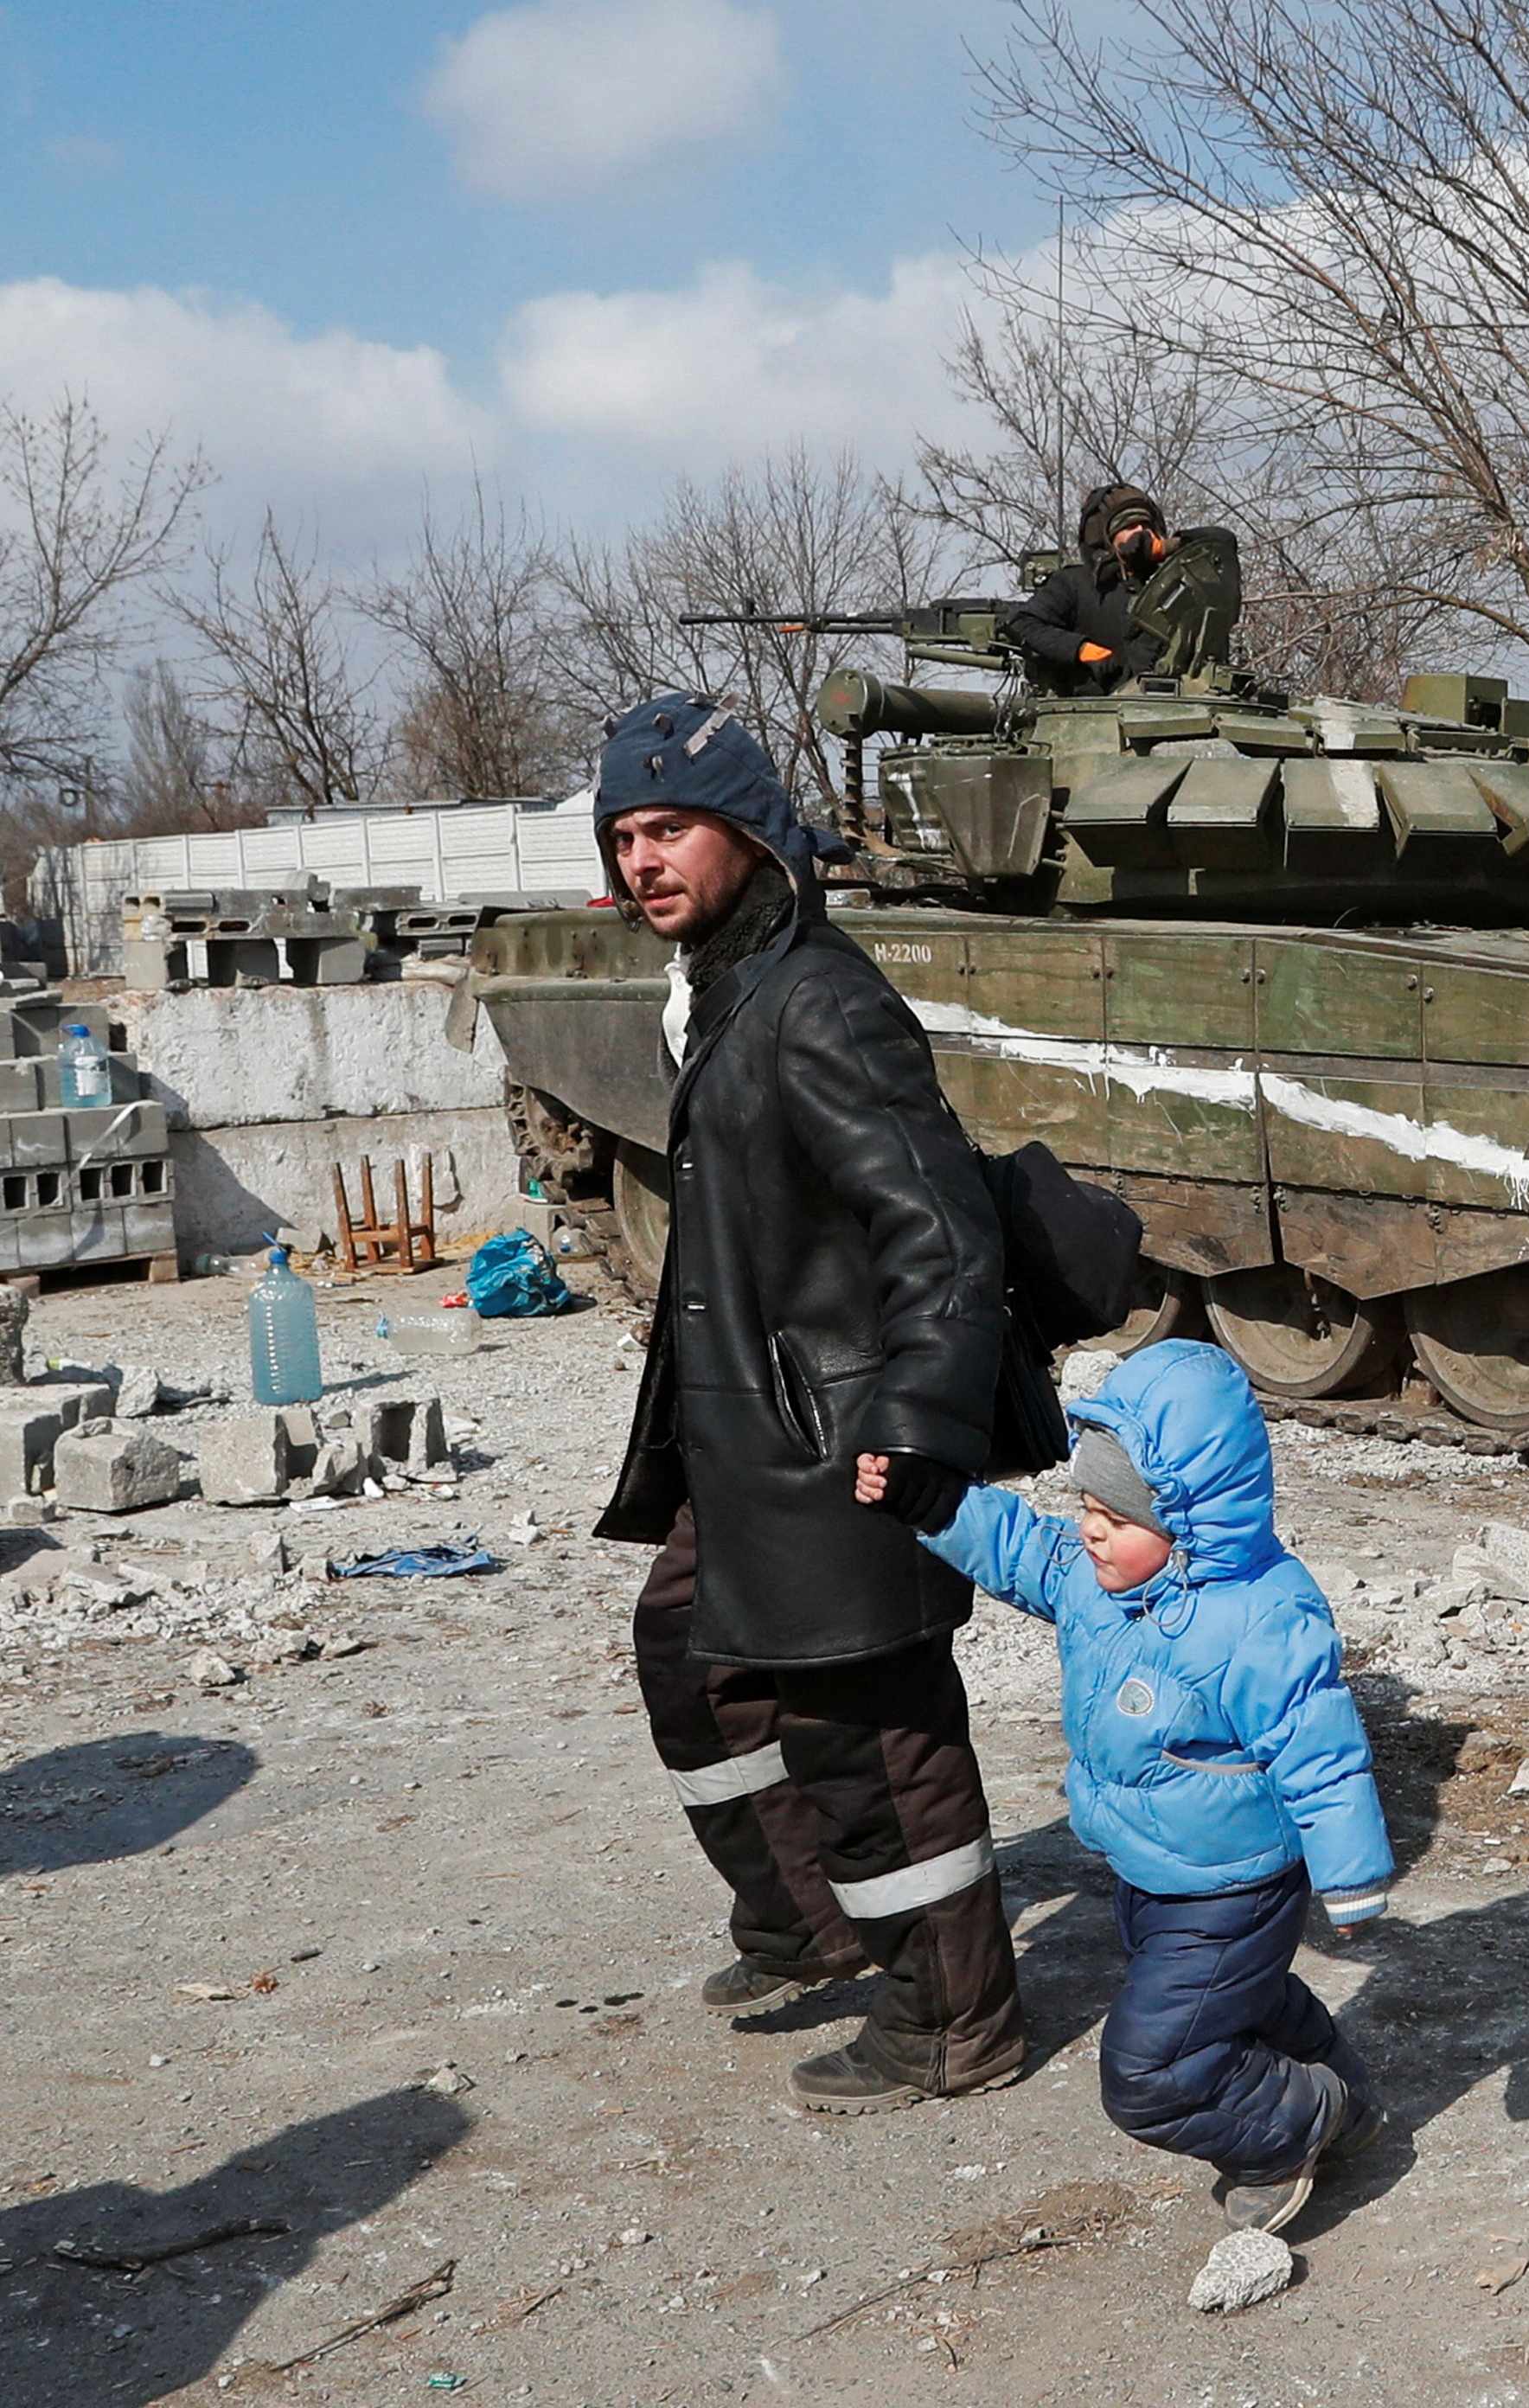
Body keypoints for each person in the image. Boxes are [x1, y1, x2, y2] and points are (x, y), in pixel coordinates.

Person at [588, 690, 1028, 2112]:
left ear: (751, 832)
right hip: (749, 1430)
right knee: (689, 1649)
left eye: (670, 828)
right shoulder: (727, 984)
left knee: (871, 1730)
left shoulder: (817, 998)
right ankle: (807, 1915)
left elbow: (940, 1227)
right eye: (625, 835)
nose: (642, 859)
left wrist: (918, 1417)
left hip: (838, 1434)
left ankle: (950, 2013)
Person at [857, 1340, 1394, 2232]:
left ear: (1190, 1517)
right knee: (1243, 2002)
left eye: (1120, 1512)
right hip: (1147, 1872)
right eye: (1087, 1505)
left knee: (1148, 2073)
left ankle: (1301, 2123)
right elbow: (1020, 1550)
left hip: (1233, 1886)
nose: (1092, 1528)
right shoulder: (1097, 1580)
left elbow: (1319, 1743)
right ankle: (1349, 2099)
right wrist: (934, 1502)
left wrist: (1351, 1873)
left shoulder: (1260, 1615)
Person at [1006, 482, 1173, 695]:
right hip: (1090, 713)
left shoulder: (1168, 588)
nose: (1141, 532)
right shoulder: (1075, 584)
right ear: (1109, 537)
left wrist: (1170, 548)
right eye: (1130, 527)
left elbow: (1221, 543)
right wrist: (1081, 649)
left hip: (1163, 711)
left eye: (1146, 526)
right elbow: (1020, 622)